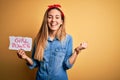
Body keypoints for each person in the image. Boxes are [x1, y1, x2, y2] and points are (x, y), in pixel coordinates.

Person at [17, 4, 87, 80]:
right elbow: (35, 64)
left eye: (57, 17)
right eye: (50, 17)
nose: (53, 20)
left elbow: (67, 65)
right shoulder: (38, 39)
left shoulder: (68, 39)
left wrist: (76, 51)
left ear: (61, 21)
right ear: (46, 20)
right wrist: (25, 57)